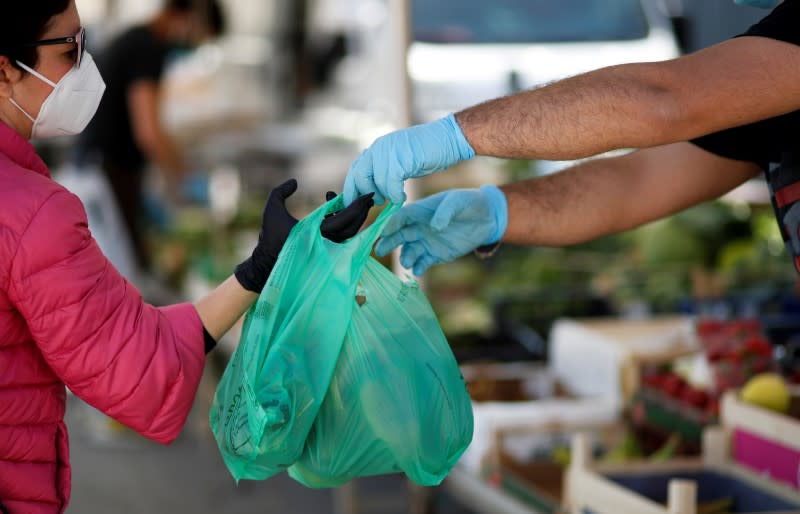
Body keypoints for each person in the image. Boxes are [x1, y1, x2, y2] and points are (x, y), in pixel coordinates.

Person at [0, 3, 374, 512]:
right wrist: (261, 265)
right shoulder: (33, 215)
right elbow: (140, 365)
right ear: (4, 67)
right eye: (69, 51)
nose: (85, 67)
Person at [343, 0, 800, 277]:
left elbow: (665, 99)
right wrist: (497, 212)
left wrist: (457, 134)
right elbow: (637, 182)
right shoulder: (768, 83)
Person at [77, 0, 225, 271]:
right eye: (200, 39)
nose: (194, 47)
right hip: (108, 174)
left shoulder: (139, 40)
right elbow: (149, 132)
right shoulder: (147, 48)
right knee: (125, 266)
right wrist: (185, 179)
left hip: (109, 168)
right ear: (188, 17)